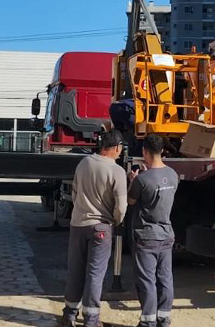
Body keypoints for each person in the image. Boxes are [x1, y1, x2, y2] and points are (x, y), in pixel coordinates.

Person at [62, 130, 128, 327]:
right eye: (120, 149)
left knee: (75, 270)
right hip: (101, 227)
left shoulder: (84, 163)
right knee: (95, 274)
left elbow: (74, 193)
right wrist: (115, 221)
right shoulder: (117, 171)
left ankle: (69, 315)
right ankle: (91, 320)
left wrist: (81, 211)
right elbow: (121, 207)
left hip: (78, 224)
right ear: (116, 148)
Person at [127, 133, 179, 327]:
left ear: (144, 151)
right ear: (162, 150)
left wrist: (134, 178)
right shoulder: (173, 175)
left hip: (147, 236)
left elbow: (131, 201)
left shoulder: (142, 180)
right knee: (165, 277)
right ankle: (163, 319)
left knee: (147, 279)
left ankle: (148, 321)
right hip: (167, 235)